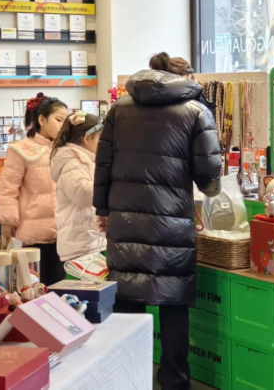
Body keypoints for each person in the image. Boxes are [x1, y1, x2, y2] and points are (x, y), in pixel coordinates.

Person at [94, 52, 222, 390]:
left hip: (125, 218)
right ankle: (174, 381)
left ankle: (126, 379)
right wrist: (210, 187)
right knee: (174, 303)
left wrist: (102, 209)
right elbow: (209, 173)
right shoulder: (195, 111)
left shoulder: (120, 108)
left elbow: (103, 163)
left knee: (127, 300)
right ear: (186, 77)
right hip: (171, 222)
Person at [0, 93, 69, 284]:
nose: (63, 125)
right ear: (42, 120)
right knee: (33, 287)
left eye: (66, 121)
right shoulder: (21, 149)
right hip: (33, 233)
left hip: (62, 231)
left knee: (60, 286)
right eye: (59, 120)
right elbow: (7, 188)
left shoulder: (65, 150)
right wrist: (6, 221)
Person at [49, 111, 104, 262]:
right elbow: (84, 194)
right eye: (100, 140)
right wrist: (107, 184)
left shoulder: (85, 161)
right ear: (87, 138)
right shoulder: (73, 163)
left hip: (89, 240)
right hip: (80, 244)